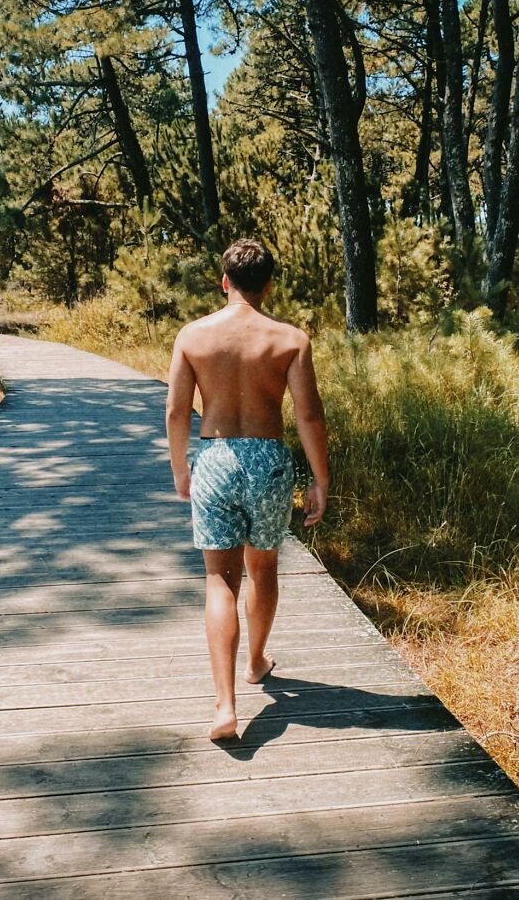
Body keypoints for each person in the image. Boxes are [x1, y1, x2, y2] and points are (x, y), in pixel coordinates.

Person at [165, 238, 329, 741]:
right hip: (269, 460)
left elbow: (175, 411)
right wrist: (321, 480)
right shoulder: (290, 340)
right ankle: (256, 661)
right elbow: (308, 415)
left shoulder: (192, 336)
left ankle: (224, 706)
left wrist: (180, 469)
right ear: (269, 285)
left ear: (224, 281)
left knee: (220, 581)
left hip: (214, 458)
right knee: (262, 567)